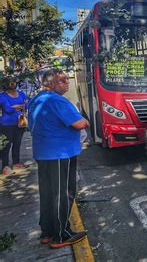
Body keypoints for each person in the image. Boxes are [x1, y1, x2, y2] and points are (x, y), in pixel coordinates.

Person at [28, 69, 89, 248]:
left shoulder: (36, 100)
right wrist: (86, 121)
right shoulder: (57, 100)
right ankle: (61, 234)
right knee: (63, 194)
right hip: (61, 153)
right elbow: (78, 123)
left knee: (47, 193)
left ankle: (47, 232)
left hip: (43, 153)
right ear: (51, 84)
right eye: (62, 80)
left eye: (66, 80)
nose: (67, 82)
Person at [0, 76, 29, 176]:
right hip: (7, 124)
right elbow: (8, 109)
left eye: (14, 82)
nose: (13, 84)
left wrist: (18, 106)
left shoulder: (20, 93)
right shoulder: (2, 96)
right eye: (10, 82)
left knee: (17, 143)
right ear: (5, 84)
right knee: (6, 145)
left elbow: (27, 105)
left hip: (21, 122)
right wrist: (21, 106)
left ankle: (16, 163)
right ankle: (5, 167)